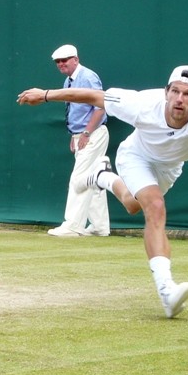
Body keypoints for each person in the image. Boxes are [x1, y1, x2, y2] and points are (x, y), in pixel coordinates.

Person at [18, 65, 188, 318]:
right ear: (166, 92)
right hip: (136, 157)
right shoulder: (141, 103)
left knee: (132, 204)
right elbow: (92, 96)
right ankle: (166, 291)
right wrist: (45, 94)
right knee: (155, 207)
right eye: (175, 91)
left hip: (170, 167)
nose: (180, 99)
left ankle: (102, 177)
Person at [46, 44, 111, 237]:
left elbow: (101, 107)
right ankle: (100, 227)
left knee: (78, 179)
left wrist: (86, 133)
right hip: (82, 135)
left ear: (75, 59)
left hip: (94, 134)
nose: (61, 64)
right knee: (92, 179)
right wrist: (75, 135)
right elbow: (76, 111)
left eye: (64, 60)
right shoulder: (68, 82)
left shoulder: (88, 77)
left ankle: (73, 225)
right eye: (58, 62)